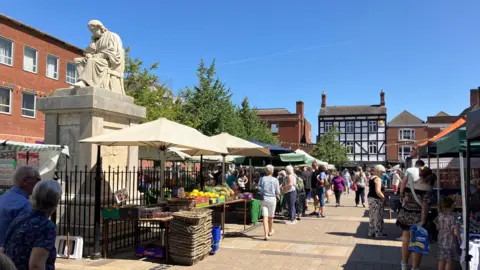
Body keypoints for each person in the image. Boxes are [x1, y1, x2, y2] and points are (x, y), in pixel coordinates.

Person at [1, 179, 62, 270]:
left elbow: (3, 250)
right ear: (56, 201)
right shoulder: (46, 226)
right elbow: (36, 266)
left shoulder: (20, 219)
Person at [397, 160, 436, 270]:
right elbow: (425, 206)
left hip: (405, 214)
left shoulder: (410, 184)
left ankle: (404, 264)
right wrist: (423, 221)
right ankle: (415, 268)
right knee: (417, 242)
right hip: (418, 217)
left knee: (406, 240)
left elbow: (404, 198)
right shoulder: (427, 189)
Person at [74, 20, 126, 94]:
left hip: (109, 62)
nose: (92, 32)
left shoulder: (112, 36)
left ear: (99, 27)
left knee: (92, 61)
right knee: (78, 61)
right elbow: (92, 52)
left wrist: (96, 56)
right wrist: (90, 52)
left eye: (92, 30)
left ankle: (84, 81)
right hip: (97, 60)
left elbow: (114, 51)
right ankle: (84, 82)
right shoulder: (96, 41)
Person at [0, 166, 41, 246]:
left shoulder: (2, 198)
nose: (39, 183)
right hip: (9, 255)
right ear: (25, 181)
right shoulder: (25, 205)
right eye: (38, 180)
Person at [434, 197, 460, 270]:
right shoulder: (453, 217)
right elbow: (456, 232)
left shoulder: (439, 216)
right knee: (449, 260)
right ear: (451, 206)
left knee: (441, 259)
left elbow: (437, 228)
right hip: (450, 241)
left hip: (441, 239)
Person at [258, 165, 281, 241]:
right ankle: (270, 230)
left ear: (266, 171)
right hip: (272, 199)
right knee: (271, 217)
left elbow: (259, 188)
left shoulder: (262, 179)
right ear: (272, 171)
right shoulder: (275, 180)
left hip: (264, 198)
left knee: (265, 216)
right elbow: (278, 192)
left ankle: (266, 234)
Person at [367, 164, 387, 238]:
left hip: (371, 198)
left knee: (372, 215)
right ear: (378, 171)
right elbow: (378, 191)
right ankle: (378, 233)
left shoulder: (372, 177)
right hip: (376, 199)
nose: (383, 173)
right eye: (382, 172)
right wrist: (383, 197)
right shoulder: (378, 179)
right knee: (378, 216)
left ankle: (371, 232)